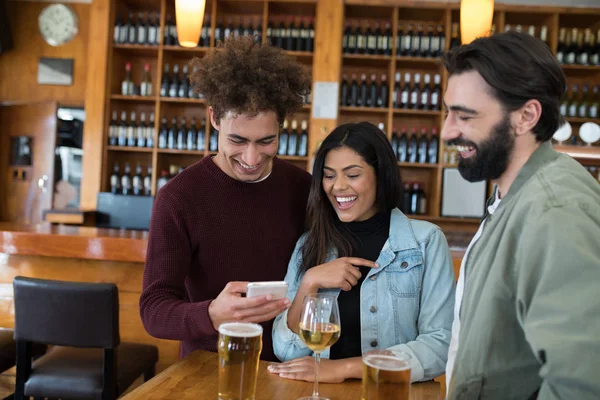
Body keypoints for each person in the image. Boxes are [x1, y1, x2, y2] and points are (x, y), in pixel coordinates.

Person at [442, 31, 600, 399]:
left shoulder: (555, 211)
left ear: (526, 116)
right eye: (447, 112)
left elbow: (582, 384)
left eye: (464, 116)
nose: (447, 131)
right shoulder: (514, 196)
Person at [139, 36, 313, 362]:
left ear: (282, 127)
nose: (251, 156)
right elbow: (153, 310)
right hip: (209, 366)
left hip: (291, 366)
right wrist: (211, 314)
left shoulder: (304, 188)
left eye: (266, 141)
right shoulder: (178, 198)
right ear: (214, 119)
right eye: (237, 140)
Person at [268, 122, 455, 383]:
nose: (338, 187)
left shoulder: (426, 241)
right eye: (329, 175)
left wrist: (342, 369)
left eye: (352, 175)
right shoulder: (309, 244)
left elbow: (440, 346)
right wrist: (309, 283)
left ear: (381, 175)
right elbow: (286, 351)